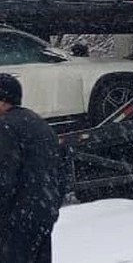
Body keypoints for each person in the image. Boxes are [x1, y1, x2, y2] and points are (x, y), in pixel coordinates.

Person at [0, 73, 65, 263]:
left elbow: (4, 177)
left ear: (3, 100)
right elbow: (61, 171)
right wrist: (51, 205)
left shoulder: (5, 127)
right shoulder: (41, 124)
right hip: (42, 215)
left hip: (15, 220)